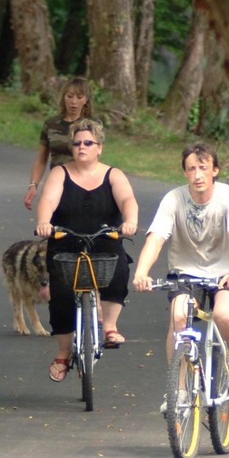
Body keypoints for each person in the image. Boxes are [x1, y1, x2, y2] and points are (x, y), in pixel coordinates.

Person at [132, 141, 229, 394]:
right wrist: (141, 272)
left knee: (224, 315)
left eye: (203, 167)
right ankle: (179, 390)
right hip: (186, 272)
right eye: (191, 169)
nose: (197, 175)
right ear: (185, 172)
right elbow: (155, 239)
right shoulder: (173, 199)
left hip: (226, 271)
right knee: (178, 317)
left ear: (215, 170)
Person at [36, 115, 137, 381]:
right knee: (61, 295)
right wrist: (44, 223)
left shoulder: (113, 174)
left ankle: (110, 326)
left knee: (118, 268)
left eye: (88, 143)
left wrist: (130, 221)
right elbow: (48, 199)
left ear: (99, 147)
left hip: (104, 238)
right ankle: (63, 353)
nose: (82, 147)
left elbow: (128, 199)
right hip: (65, 240)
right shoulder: (60, 173)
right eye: (77, 143)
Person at [23, 78, 90, 212]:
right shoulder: (51, 124)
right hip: (56, 182)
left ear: (86, 100)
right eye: (70, 96)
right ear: (63, 97)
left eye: (79, 97)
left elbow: (94, 157)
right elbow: (42, 159)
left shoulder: (92, 126)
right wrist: (33, 184)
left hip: (84, 183)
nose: (74, 102)